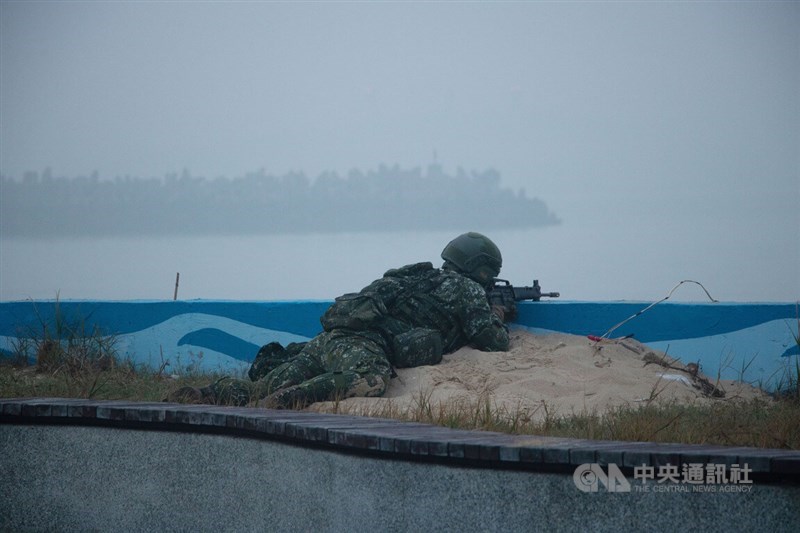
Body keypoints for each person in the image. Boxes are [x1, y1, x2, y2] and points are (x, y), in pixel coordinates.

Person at [166, 232, 509, 408]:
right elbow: (492, 341)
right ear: (481, 268)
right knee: (371, 380)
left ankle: (206, 393)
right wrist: (498, 314)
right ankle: (289, 400)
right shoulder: (467, 289)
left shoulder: (418, 276)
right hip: (360, 346)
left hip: (329, 339)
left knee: (259, 387)